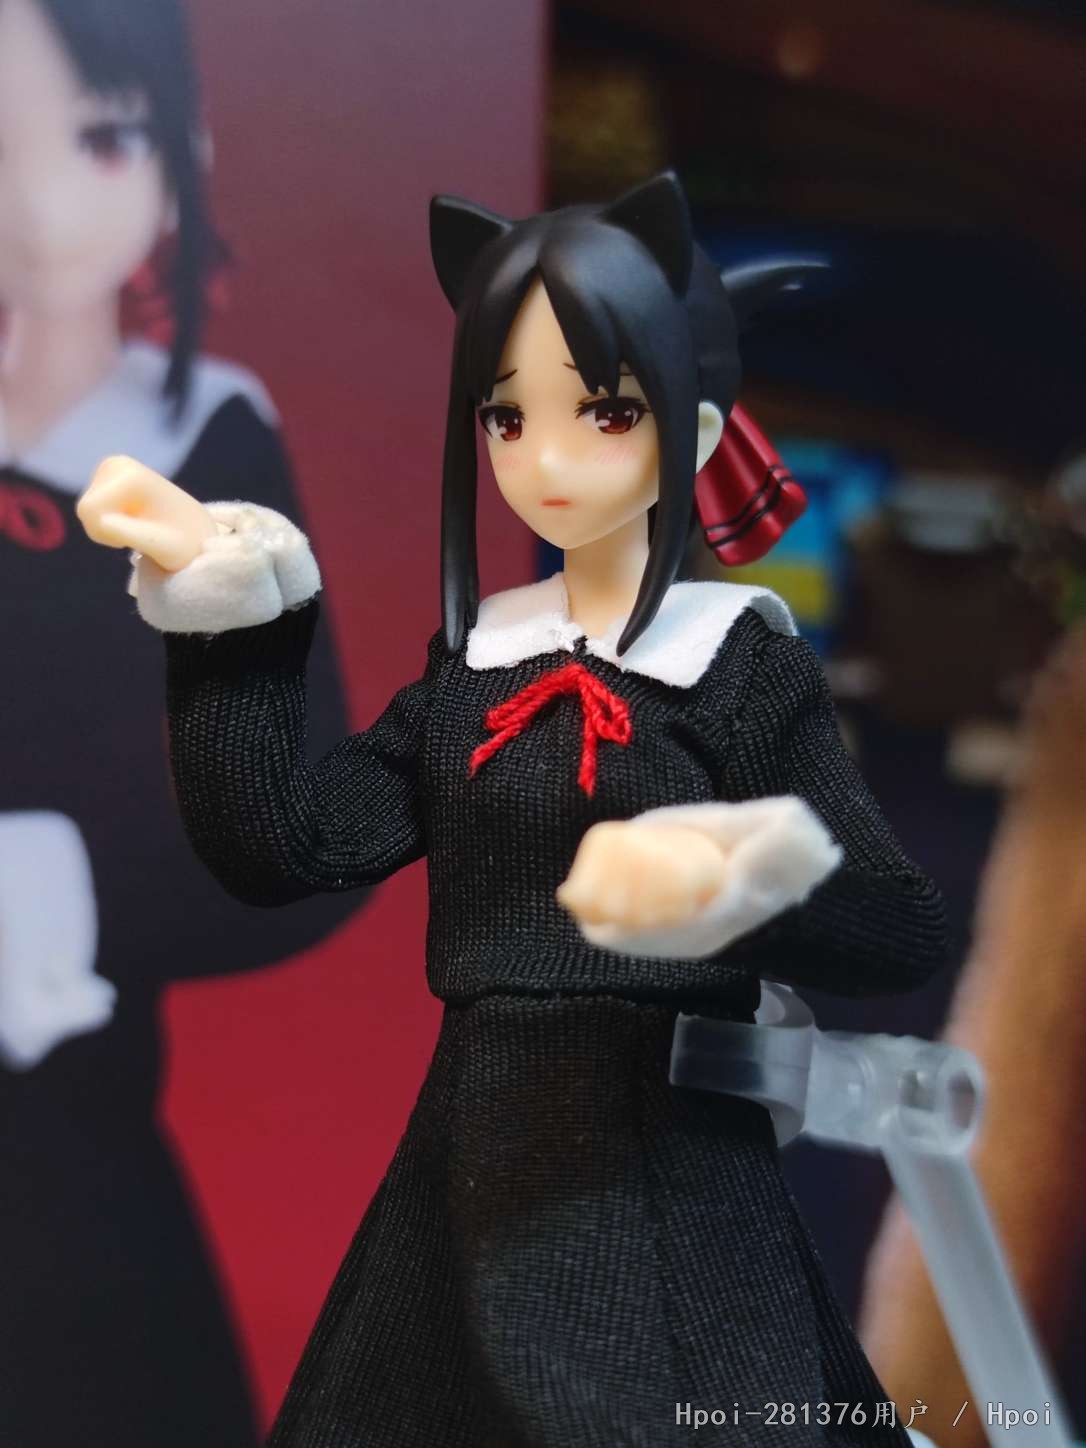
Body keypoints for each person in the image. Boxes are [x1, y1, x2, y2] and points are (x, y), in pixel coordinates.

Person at [79, 172, 948, 1446]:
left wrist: (745, 881)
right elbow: (290, 843)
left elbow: (899, 922)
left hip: (667, 1157)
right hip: (475, 1148)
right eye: (505, 415)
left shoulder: (736, 662)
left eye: (605, 411)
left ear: (696, 428)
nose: (543, 460)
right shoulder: (480, 664)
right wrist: (234, 613)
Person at [0, 1, 355, 1443]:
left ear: (176, 159)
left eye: (97, 140)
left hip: (62, 1157)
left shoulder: (205, 442)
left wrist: (55, 889)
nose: (35, 205)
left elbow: (299, 828)